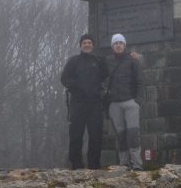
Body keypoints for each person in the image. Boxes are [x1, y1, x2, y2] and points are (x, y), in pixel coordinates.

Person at [60, 33, 108, 169]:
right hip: (78, 103)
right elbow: (64, 79)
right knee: (76, 134)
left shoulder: (98, 61)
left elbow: (105, 75)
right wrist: (76, 87)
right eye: (84, 43)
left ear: (93, 45)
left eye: (89, 43)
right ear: (80, 46)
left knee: (96, 135)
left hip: (95, 104)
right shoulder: (73, 61)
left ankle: (94, 163)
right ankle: (76, 163)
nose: (87, 45)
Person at [105, 33, 143, 170]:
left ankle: (137, 164)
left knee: (133, 134)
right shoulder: (108, 61)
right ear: (112, 46)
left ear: (124, 45)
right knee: (120, 135)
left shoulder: (133, 60)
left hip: (130, 102)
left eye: (121, 43)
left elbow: (140, 81)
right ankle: (124, 164)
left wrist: (137, 100)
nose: (118, 45)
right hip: (114, 103)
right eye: (116, 43)